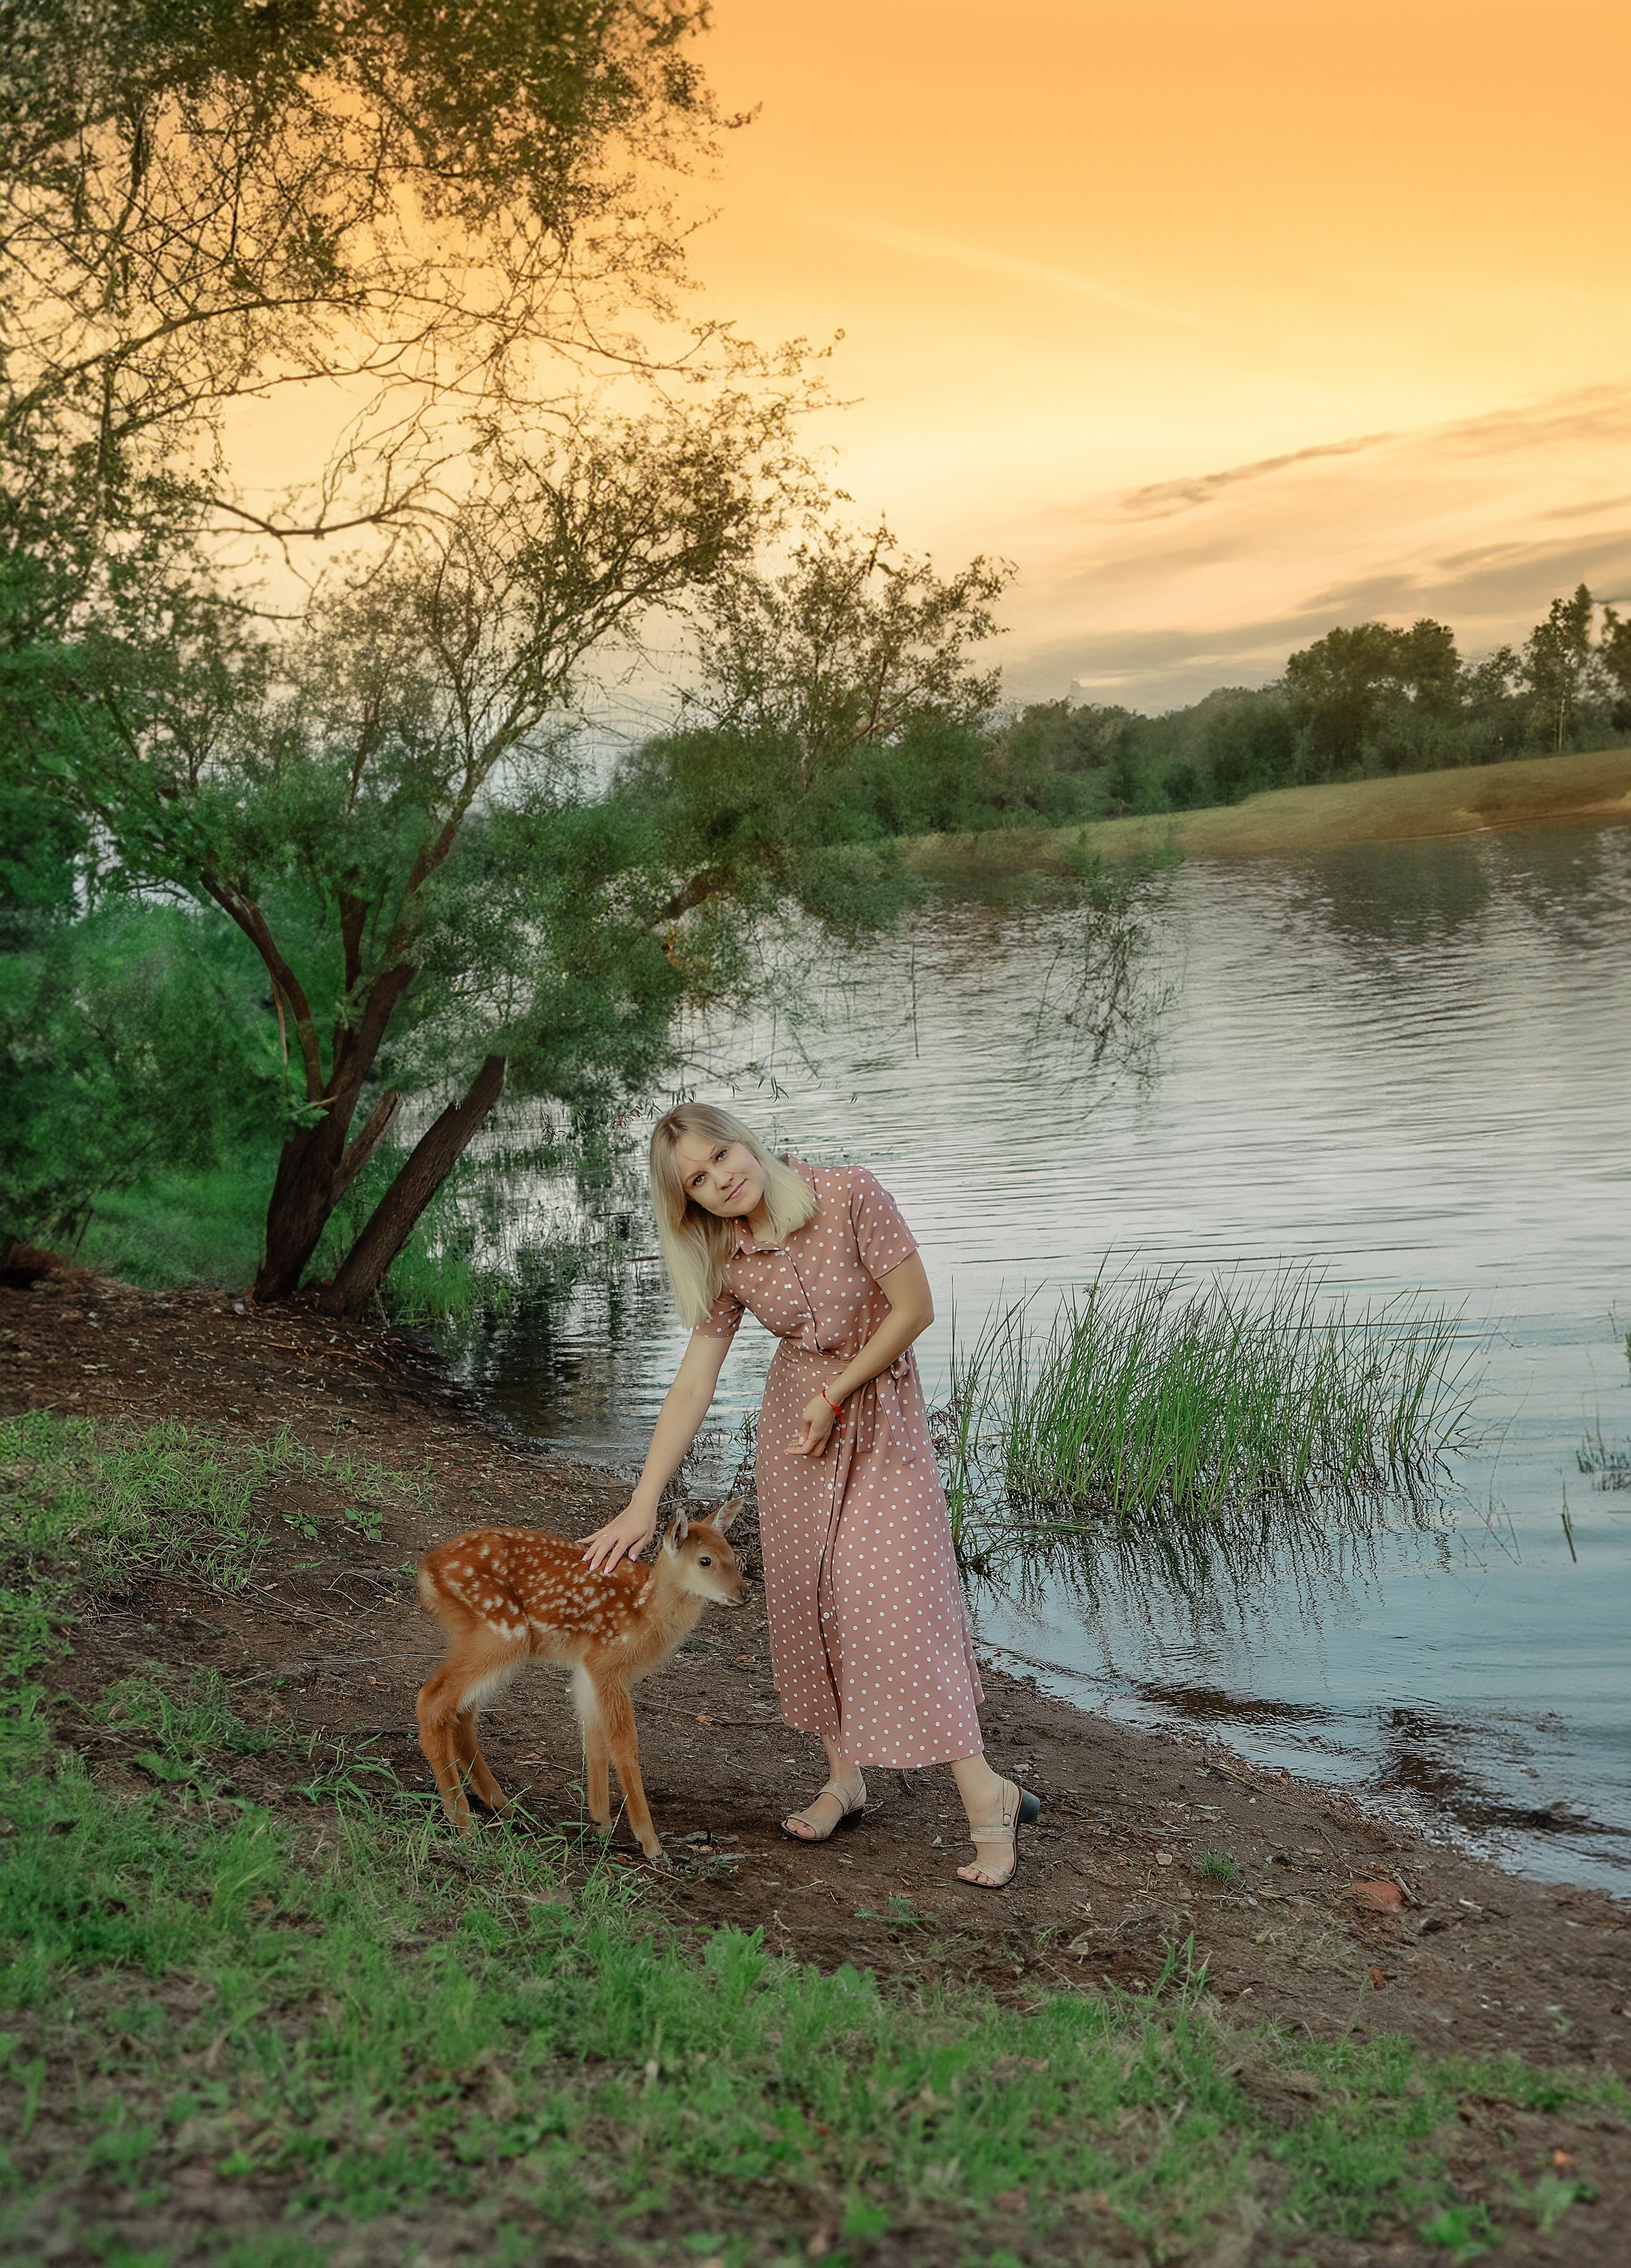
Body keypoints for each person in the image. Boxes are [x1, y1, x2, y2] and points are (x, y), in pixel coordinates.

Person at [581, 1102, 1040, 1889]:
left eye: (721, 1155)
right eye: (697, 1179)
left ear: (743, 1140)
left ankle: (986, 1797)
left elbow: (914, 1309)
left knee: (897, 1607)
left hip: (877, 1419)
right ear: (687, 1201)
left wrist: (836, 1395)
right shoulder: (725, 1256)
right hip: (795, 1436)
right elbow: (695, 1383)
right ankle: (845, 1781)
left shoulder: (850, 1192)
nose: (721, 1178)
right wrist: (641, 1500)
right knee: (809, 1600)